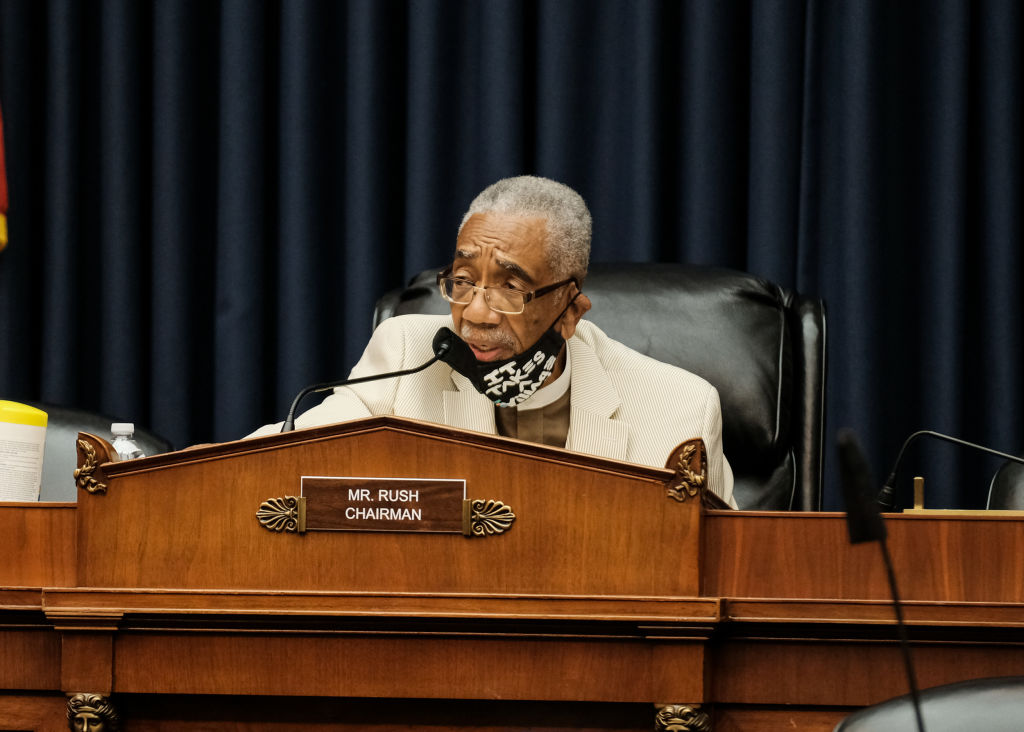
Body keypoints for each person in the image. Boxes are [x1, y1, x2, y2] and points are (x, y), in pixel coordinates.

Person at [250, 176, 735, 507]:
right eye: (462, 281)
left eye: (511, 288)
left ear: (570, 311)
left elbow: (726, 569)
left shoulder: (678, 410)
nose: (476, 314)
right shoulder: (407, 356)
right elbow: (279, 461)